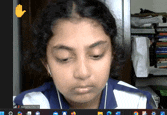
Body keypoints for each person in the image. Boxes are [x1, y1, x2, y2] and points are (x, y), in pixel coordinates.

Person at [14, 0, 157, 109]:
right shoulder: (27, 105)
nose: (82, 73)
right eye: (64, 58)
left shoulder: (137, 103)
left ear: (112, 56)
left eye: (96, 55)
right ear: (47, 64)